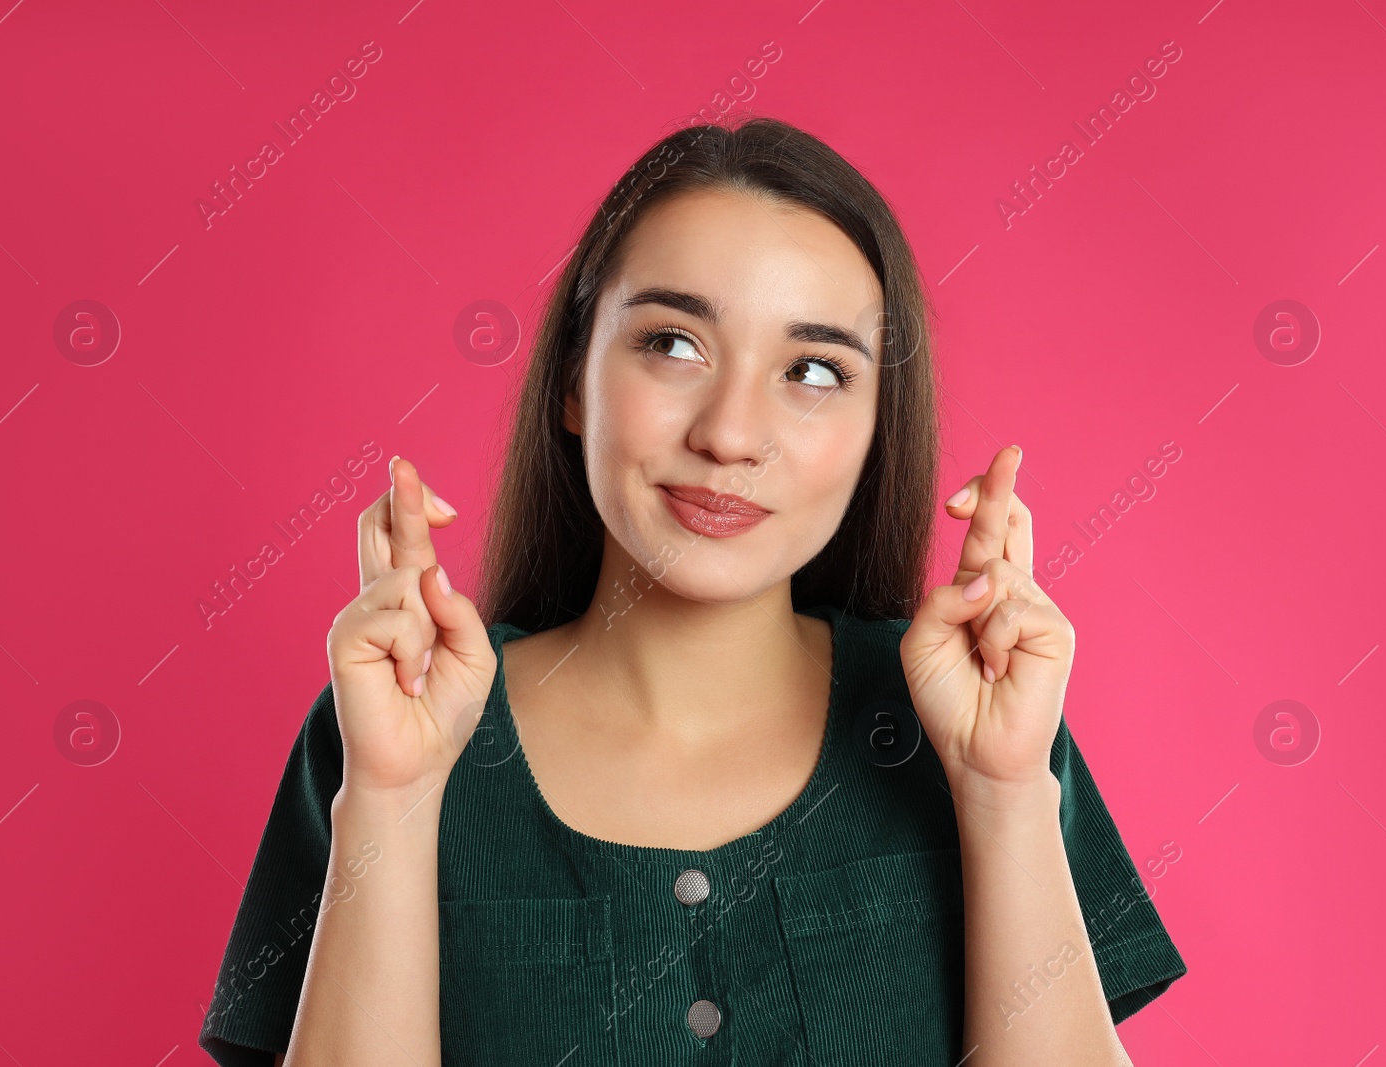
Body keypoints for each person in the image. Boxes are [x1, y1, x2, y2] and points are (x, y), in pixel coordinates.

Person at [199, 116, 1186, 1067]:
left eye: (811, 369)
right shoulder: (396, 727)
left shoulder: (975, 724)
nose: (729, 433)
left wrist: (1002, 791)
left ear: (877, 428)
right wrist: (395, 798)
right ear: (572, 383)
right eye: (672, 344)